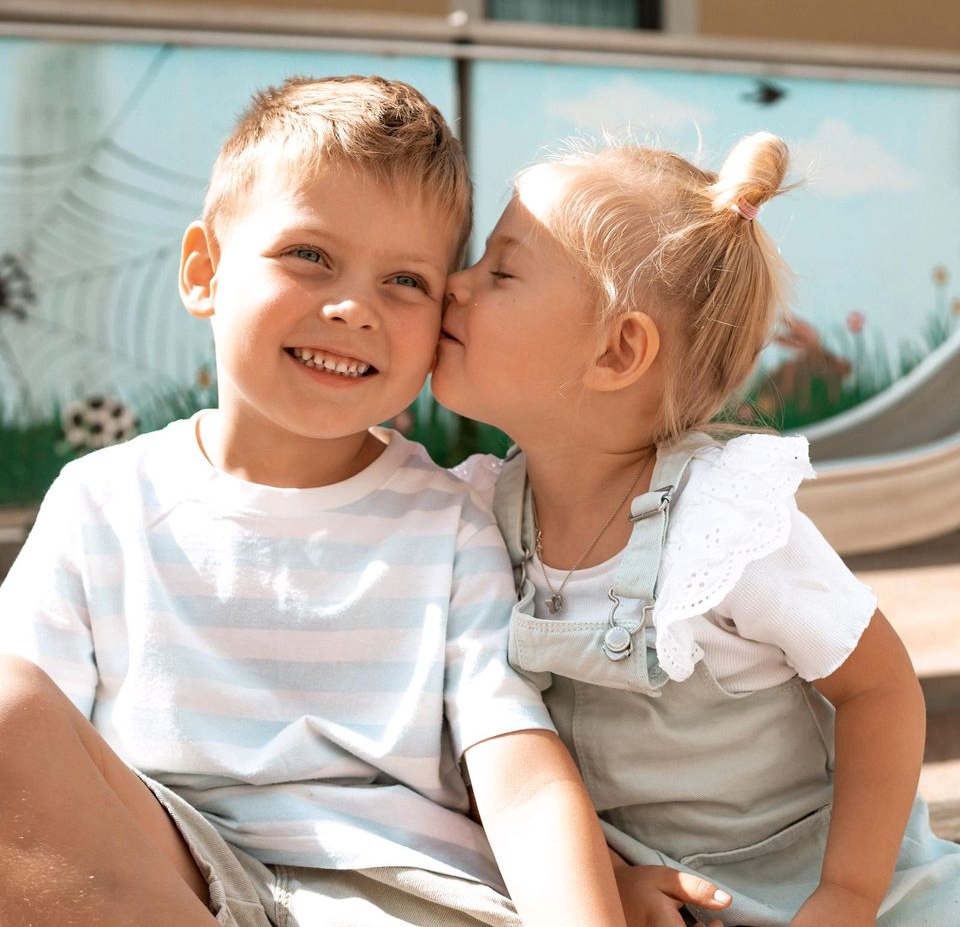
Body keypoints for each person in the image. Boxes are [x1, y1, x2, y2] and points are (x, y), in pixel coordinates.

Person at [0, 76, 632, 927]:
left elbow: (517, 774)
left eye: (405, 281)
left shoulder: (449, 525)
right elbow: (36, 762)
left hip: (392, 890)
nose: (352, 309)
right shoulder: (103, 500)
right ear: (204, 272)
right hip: (167, 880)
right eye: (309, 256)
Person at [434, 132, 960, 927]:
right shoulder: (482, 515)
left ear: (617, 351)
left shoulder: (722, 522)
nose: (455, 285)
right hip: (653, 898)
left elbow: (879, 689)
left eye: (500, 271)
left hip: (835, 881)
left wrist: (847, 895)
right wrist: (610, 876)